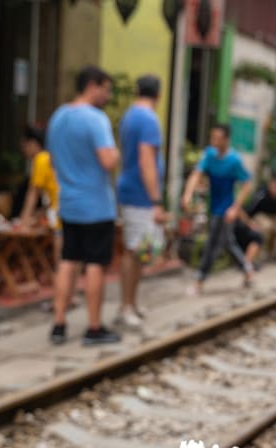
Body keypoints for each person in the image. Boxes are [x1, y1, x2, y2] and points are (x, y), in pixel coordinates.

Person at [46, 66, 122, 346]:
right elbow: (108, 161)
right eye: (106, 89)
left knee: (67, 261)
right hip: (97, 205)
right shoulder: (96, 120)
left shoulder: (58, 117)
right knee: (95, 265)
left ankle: (59, 323)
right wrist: (116, 152)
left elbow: (53, 161)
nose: (108, 95)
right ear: (92, 86)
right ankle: (93, 326)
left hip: (69, 203)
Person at [115, 74, 166, 329]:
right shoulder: (148, 120)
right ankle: (125, 306)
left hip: (131, 191)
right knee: (135, 251)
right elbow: (147, 160)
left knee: (138, 250)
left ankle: (131, 303)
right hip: (140, 195)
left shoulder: (129, 116)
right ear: (158, 94)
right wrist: (156, 200)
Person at [181, 124, 255, 295]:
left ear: (226, 140)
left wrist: (235, 208)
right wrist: (187, 194)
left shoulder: (234, 160)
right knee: (227, 242)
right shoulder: (209, 154)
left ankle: (199, 280)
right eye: (212, 137)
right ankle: (247, 269)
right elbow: (196, 174)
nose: (213, 141)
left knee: (212, 244)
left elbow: (246, 184)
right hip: (213, 206)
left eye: (217, 138)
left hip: (226, 209)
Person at [16, 126, 62, 264]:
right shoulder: (50, 157)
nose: (23, 149)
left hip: (61, 212)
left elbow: (33, 193)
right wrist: (37, 216)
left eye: (24, 145)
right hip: (66, 209)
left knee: (61, 256)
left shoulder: (41, 159)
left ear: (33, 144)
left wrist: (23, 222)